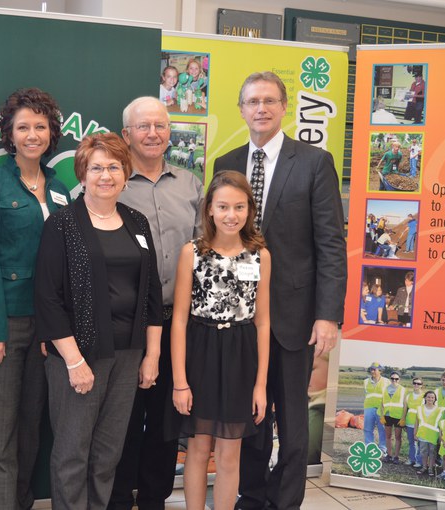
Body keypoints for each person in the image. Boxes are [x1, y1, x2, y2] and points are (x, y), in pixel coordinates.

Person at [213, 71, 347, 510]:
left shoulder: (313, 161)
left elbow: (330, 243)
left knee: (291, 423)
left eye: (270, 101)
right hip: (239, 321)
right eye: (252, 101)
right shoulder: (226, 163)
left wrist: (327, 315)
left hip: (294, 319)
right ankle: (251, 498)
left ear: (284, 107)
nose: (261, 109)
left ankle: (285, 502)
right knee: (249, 419)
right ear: (242, 109)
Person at [35, 132, 163, 510]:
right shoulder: (62, 224)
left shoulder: (136, 222)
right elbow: (48, 299)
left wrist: (152, 355)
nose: (105, 175)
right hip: (81, 355)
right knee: (73, 453)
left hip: (128, 355)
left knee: (108, 454)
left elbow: (152, 293)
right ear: (82, 174)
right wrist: (74, 362)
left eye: (113, 167)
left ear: (125, 173)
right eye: (96, 168)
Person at [0, 88, 71, 510]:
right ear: (8, 134)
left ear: (51, 133)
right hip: (5, 326)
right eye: (23, 127)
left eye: (40, 127)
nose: (32, 135)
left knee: (31, 429)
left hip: (47, 326)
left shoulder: (61, 186)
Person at [110, 96, 203, 510]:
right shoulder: (109, 182)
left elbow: (207, 249)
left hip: (178, 322)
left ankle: (153, 499)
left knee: (166, 423)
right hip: (125, 324)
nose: (152, 134)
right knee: (122, 420)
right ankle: (115, 499)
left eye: (160, 126)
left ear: (170, 133)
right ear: (126, 134)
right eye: (143, 127)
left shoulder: (191, 184)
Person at [171, 171, 270, 510]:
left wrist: (260, 385)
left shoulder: (260, 256)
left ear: (250, 210)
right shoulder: (193, 253)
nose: (231, 215)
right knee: (198, 449)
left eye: (239, 207)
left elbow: (262, 321)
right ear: (209, 209)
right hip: (201, 352)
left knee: (230, 450)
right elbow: (180, 320)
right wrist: (181, 382)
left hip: (241, 356)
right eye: (223, 206)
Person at [379, 371, 406, 464]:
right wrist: (382, 415)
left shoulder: (403, 390)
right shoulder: (385, 389)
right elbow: (382, 403)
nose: (394, 380)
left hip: (398, 416)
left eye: (396, 379)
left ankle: (396, 457)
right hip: (387, 415)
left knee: (398, 437)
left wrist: (403, 418)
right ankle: (389, 455)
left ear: (399, 380)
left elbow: (405, 405)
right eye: (392, 378)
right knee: (388, 436)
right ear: (390, 379)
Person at [363, 363, 389, 455]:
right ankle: (369, 448)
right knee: (367, 429)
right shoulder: (366, 381)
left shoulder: (386, 381)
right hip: (369, 407)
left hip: (381, 408)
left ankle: (382, 449)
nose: (372, 371)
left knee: (382, 429)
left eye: (375, 369)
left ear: (380, 371)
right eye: (371, 369)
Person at [414, 391, 442, 477]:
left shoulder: (439, 410)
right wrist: (415, 433)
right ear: (425, 398)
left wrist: (441, 436)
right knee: (423, 452)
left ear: (435, 399)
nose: (430, 399)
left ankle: (430, 468)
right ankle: (424, 467)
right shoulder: (419, 408)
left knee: (432, 452)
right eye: (428, 397)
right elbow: (417, 422)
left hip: (433, 435)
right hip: (423, 434)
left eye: (432, 397)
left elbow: (441, 424)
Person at [402, 377, 425, 467]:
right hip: (409, 421)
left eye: (418, 384)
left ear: (421, 385)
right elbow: (405, 408)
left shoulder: (424, 396)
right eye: (415, 383)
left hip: (420, 422)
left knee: (419, 442)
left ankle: (419, 461)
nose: (416, 385)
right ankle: (412, 459)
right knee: (411, 442)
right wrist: (403, 419)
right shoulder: (408, 396)